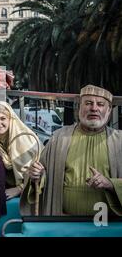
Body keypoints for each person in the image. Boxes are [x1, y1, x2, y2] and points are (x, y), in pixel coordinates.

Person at [21, 85, 122, 216]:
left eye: (101, 104)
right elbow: (40, 175)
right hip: (65, 223)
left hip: (109, 226)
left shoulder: (119, 141)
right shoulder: (59, 137)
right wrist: (37, 175)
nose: (94, 108)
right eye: (88, 103)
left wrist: (110, 183)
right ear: (79, 108)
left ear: (108, 111)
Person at [0, 101, 42, 200]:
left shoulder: (23, 139)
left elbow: (34, 172)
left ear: (10, 119)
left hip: (31, 193)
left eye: (3, 118)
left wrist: (19, 189)